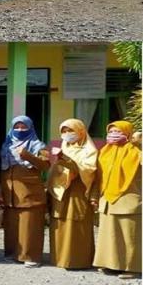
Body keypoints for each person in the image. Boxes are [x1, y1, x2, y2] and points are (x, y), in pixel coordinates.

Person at [46, 119, 97, 270]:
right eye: (64, 131)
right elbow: (56, 170)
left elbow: (87, 170)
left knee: (76, 222)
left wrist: (65, 159)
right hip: (60, 191)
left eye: (71, 131)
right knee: (59, 221)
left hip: (78, 190)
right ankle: (59, 258)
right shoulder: (63, 147)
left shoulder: (89, 150)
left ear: (81, 131)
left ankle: (79, 260)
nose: (67, 134)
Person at [94, 121, 141, 279]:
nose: (114, 134)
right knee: (110, 235)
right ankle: (111, 264)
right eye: (111, 131)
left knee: (130, 237)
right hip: (108, 199)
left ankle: (133, 268)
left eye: (118, 131)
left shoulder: (136, 150)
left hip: (128, 199)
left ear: (128, 133)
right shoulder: (105, 151)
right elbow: (98, 176)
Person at [0, 116, 49, 267]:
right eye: (17, 127)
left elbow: (45, 165)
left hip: (30, 191)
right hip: (11, 191)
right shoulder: (7, 145)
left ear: (30, 128)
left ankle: (30, 256)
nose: (20, 130)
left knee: (30, 223)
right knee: (12, 224)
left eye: (24, 127)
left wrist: (27, 155)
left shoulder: (38, 145)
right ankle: (13, 253)